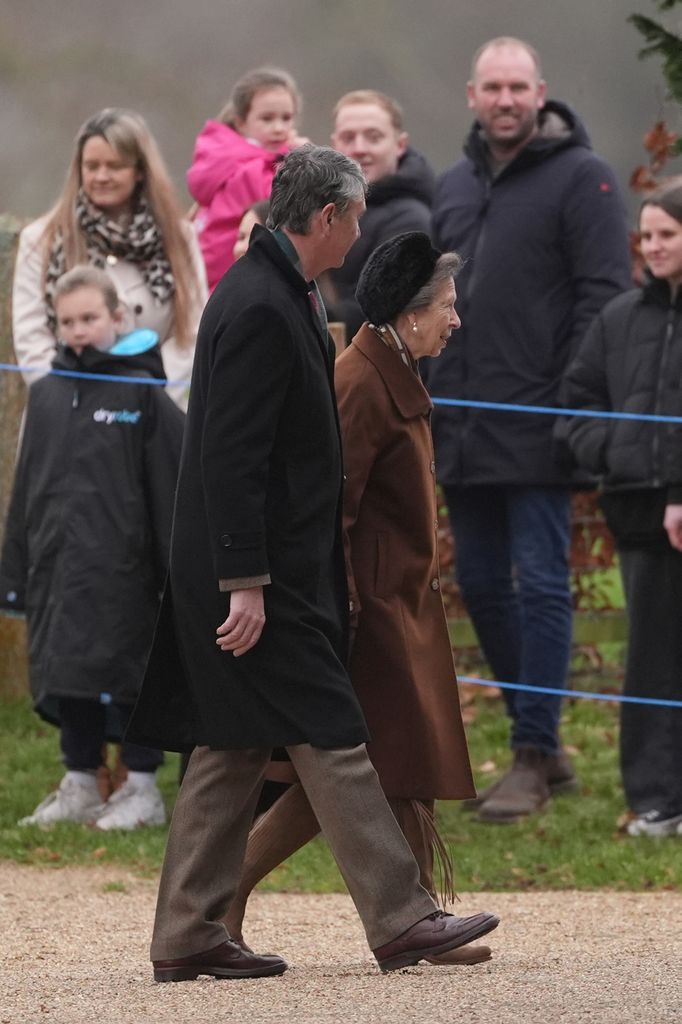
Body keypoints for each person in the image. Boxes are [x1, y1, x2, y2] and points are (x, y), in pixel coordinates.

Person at [126, 145, 499, 981]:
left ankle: (187, 932)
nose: (362, 231)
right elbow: (231, 457)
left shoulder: (277, 289)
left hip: (264, 573)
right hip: (262, 580)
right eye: (356, 216)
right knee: (333, 732)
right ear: (325, 217)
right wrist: (245, 582)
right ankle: (402, 918)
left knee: (230, 745)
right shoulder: (260, 302)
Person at [220, 231, 493, 967]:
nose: (455, 320)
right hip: (367, 613)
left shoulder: (393, 368)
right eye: (447, 307)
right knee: (366, 766)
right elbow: (328, 510)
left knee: (389, 760)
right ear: (409, 315)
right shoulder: (361, 382)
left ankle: (420, 914)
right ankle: (235, 886)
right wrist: (338, 614)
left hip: (397, 604)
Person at [426, 36, 632, 822]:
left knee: (543, 584)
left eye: (519, 87)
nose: (506, 100)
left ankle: (530, 756)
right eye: (493, 88)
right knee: (479, 584)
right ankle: (539, 741)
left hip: (540, 421)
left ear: (540, 92)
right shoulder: (453, 186)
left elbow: (603, 301)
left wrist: (568, 403)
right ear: (472, 94)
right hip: (463, 425)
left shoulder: (584, 180)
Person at [0, 265, 185, 830]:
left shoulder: (145, 395)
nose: (78, 331)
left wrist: (174, 572)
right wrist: (16, 574)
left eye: (89, 318)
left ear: (117, 317)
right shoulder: (50, 394)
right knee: (69, 669)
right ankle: (80, 779)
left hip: (126, 571)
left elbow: (170, 488)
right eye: (67, 321)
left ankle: (142, 786)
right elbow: (27, 488)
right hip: (60, 568)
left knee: (127, 670)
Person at [563, 181, 682, 838]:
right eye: (649, 235)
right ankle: (658, 801)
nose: (656, 246)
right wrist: (615, 449)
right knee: (652, 659)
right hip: (637, 517)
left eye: (669, 233)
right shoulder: (619, 319)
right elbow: (575, 402)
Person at [12, 108, 207, 411]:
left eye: (114, 166)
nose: (101, 176)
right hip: (68, 418)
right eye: (92, 166)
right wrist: (77, 402)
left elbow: (192, 332)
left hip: (153, 414)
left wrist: (143, 394)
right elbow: (31, 340)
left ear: (139, 170)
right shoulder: (42, 240)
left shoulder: (178, 238)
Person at [320, 90, 436, 339]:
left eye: (374, 137)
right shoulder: (321, 207)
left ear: (400, 145)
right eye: (348, 138)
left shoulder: (412, 220)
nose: (360, 149)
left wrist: (302, 308)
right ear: (334, 145)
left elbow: (379, 311)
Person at [187, 67, 304, 291]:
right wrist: (302, 159)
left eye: (286, 118)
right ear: (241, 122)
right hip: (228, 275)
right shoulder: (250, 170)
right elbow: (286, 201)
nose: (279, 128)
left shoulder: (226, 160)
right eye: (267, 119)